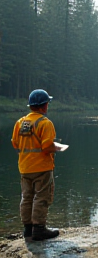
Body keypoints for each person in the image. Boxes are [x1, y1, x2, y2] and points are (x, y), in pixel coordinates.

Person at [11, 89, 61, 241]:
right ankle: (39, 229)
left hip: (25, 167)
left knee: (26, 197)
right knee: (41, 197)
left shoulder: (20, 122)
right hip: (42, 168)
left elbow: (15, 144)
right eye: (47, 103)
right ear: (44, 106)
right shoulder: (45, 123)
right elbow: (46, 147)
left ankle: (27, 229)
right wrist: (58, 147)